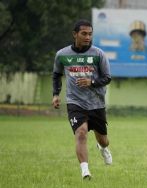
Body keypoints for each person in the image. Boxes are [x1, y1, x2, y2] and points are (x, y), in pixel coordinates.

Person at [52, 19, 112, 180]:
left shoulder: (98, 54)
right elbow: (57, 75)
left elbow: (107, 78)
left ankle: (102, 147)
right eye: (84, 34)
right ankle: (85, 171)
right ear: (75, 34)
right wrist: (56, 94)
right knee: (81, 133)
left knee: (104, 140)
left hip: (96, 102)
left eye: (90, 34)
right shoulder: (62, 55)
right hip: (75, 102)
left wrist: (91, 82)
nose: (88, 37)